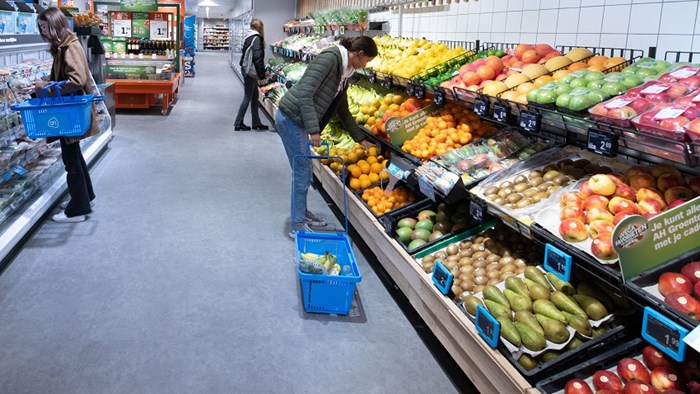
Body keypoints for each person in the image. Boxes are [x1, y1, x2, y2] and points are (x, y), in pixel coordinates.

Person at [275, 36, 378, 239]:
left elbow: (343, 109)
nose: (366, 66)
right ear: (359, 54)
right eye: (367, 61)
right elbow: (305, 93)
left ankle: (302, 214)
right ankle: (297, 224)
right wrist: (314, 129)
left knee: (304, 170)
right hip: (291, 118)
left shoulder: (345, 72)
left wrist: (360, 139)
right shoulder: (330, 58)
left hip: (300, 120)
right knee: (302, 171)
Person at [37, 7, 99, 223]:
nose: (43, 32)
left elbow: (75, 81)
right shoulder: (65, 45)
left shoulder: (69, 47)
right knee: (75, 156)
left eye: (45, 27)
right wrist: (46, 82)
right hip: (70, 110)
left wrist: (44, 87)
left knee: (70, 160)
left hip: (69, 110)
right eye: (41, 28)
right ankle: (85, 197)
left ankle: (78, 210)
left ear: (54, 25)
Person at [235, 18, 269, 131]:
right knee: (247, 97)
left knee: (255, 97)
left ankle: (256, 122)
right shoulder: (257, 39)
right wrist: (262, 76)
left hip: (246, 70)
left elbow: (244, 55)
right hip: (251, 72)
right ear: (260, 28)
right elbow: (257, 58)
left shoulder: (248, 37)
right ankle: (238, 123)